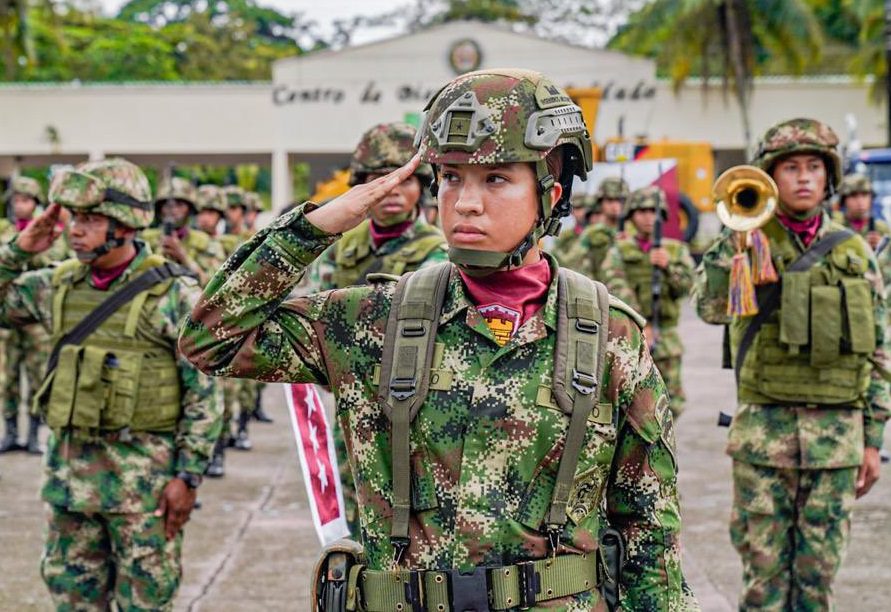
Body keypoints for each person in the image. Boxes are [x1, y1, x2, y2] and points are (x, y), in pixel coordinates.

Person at [181, 68, 696, 610]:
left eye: (496, 179)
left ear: (552, 193)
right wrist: (318, 225)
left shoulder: (607, 334)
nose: (465, 202)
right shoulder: (373, 321)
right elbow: (209, 339)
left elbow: (649, 530)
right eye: (450, 177)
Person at [0, 158, 221, 610]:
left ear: (124, 225)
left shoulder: (174, 295)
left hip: (144, 490)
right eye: (74, 219)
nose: (75, 230)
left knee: (146, 604)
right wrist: (19, 250)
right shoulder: (56, 285)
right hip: (69, 487)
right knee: (73, 602)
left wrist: (188, 475)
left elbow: (204, 392)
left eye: (91, 219)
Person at [695, 118, 889, 610]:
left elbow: (880, 351)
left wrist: (873, 440)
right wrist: (734, 245)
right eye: (791, 168)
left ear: (828, 179)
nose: (803, 178)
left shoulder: (853, 252)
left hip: (837, 441)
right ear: (770, 176)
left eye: (813, 168)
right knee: (763, 582)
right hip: (765, 437)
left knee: (818, 581)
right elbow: (710, 309)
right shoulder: (745, 241)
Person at [315, 121, 447, 537]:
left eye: (404, 180)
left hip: (414, 409)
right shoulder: (342, 249)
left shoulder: (440, 252)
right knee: (351, 521)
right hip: (353, 404)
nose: (391, 191)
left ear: (421, 186)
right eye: (377, 180)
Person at [600, 186, 695, 418]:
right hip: (631, 335)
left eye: (653, 211)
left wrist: (668, 267)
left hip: (667, 339)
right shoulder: (619, 250)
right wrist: (642, 325)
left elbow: (687, 288)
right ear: (631, 215)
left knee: (671, 403)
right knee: (628, 401)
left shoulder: (675, 250)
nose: (648, 217)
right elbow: (615, 286)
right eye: (642, 211)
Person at [0, 177, 69, 454]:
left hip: (35, 315)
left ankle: (32, 432)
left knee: (39, 375)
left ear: (36, 203)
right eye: (16, 200)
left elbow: (58, 262)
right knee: (8, 377)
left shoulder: (52, 231)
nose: (20, 205)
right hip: (6, 312)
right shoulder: (3, 230)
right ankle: (10, 430)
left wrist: (32, 245)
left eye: (25, 200)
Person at [141, 176, 226, 286]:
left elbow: (215, 286)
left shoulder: (207, 242)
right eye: (167, 205)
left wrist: (182, 256)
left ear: (190, 209)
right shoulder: (145, 240)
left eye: (180, 205)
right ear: (159, 209)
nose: (173, 210)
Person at [557, 176, 630, 281]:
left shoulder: (635, 233)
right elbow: (572, 262)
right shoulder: (592, 233)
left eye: (619, 200)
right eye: (610, 200)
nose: (615, 206)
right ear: (600, 202)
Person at [834, 173, 888, 253]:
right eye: (853, 195)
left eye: (865, 195)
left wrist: (882, 248)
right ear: (844, 200)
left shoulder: (882, 229)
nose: (860, 201)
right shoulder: (835, 226)